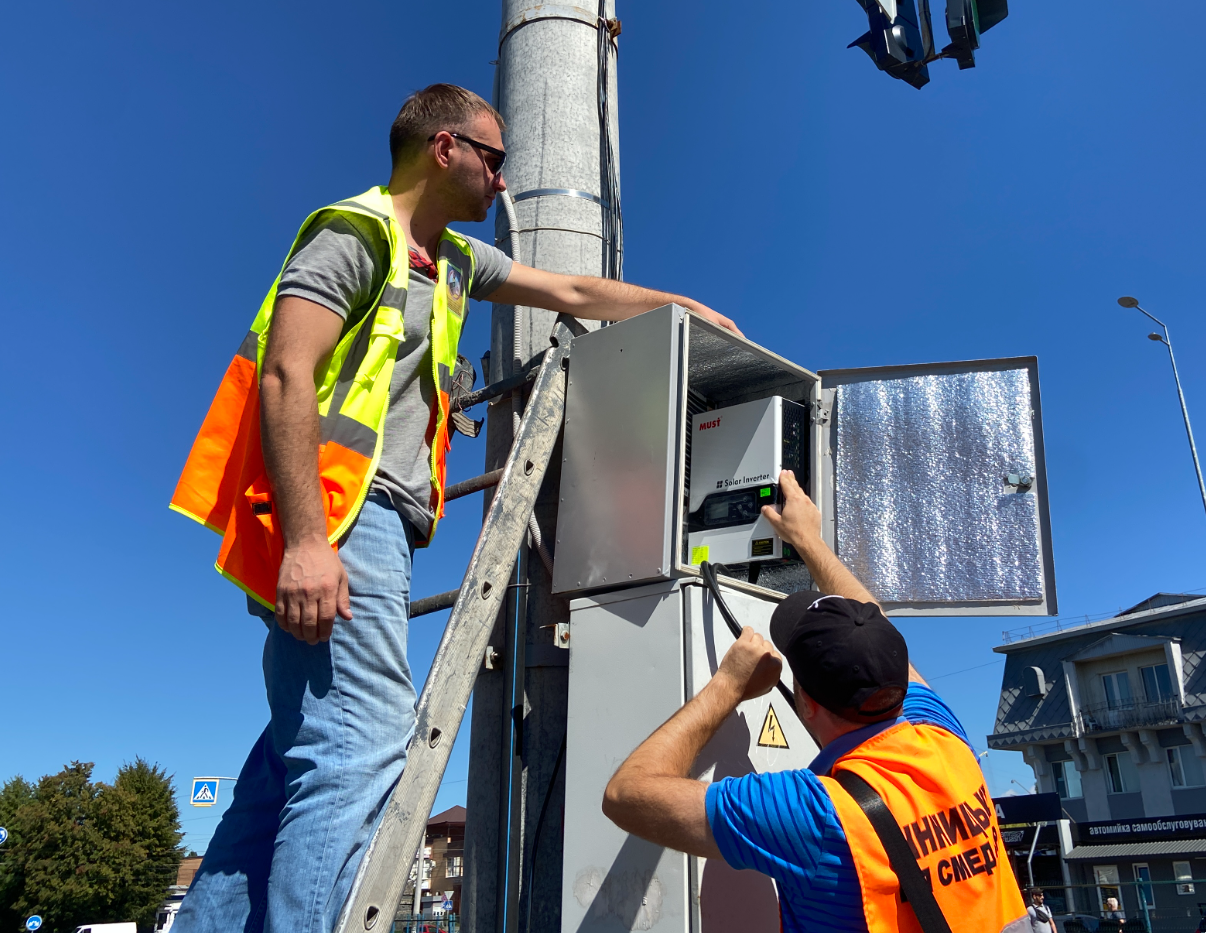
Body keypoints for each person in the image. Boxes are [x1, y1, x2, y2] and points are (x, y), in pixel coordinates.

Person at [169, 84, 737, 933]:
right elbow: (287, 374)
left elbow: (573, 293)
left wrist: (679, 308)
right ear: (445, 149)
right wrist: (308, 543)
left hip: (365, 526)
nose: (503, 180)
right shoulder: (354, 233)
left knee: (293, 760)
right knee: (359, 748)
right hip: (338, 518)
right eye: (495, 158)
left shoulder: (458, 263)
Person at [602, 469, 1029, 933]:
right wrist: (809, 541)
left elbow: (626, 796)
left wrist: (728, 684)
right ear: (895, 681)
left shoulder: (815, 813)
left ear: (805, 704)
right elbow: (877, 626)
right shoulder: (945, 741)